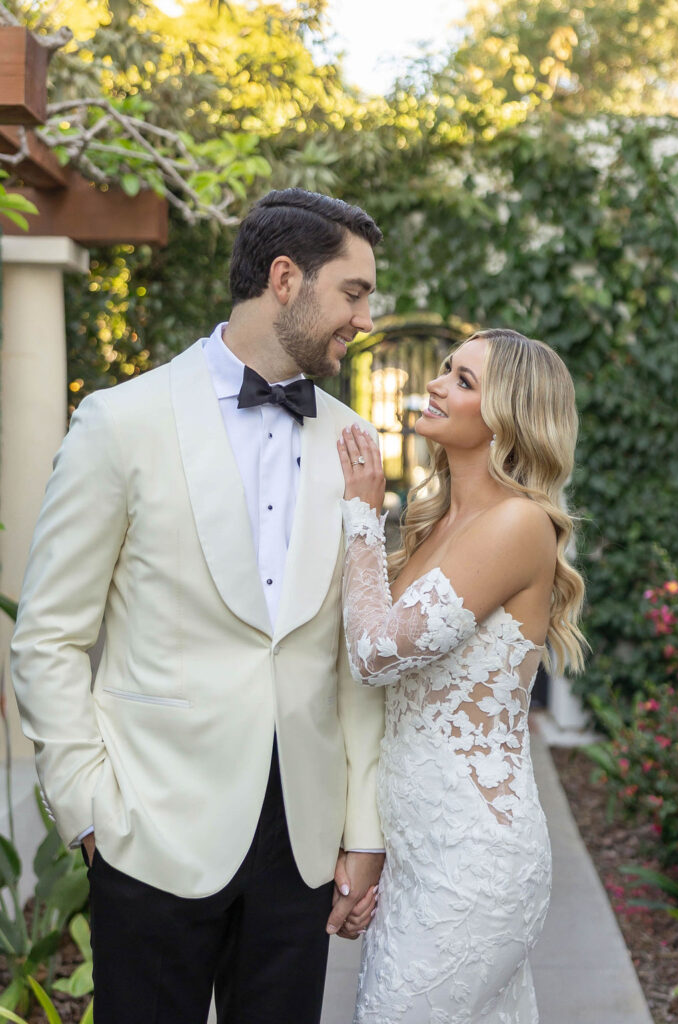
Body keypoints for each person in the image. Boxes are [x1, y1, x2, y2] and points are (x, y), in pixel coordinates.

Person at [11, 188, 387, 1024]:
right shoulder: (120, 422)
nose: (362, 318)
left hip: (300, 845)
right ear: (284, 278)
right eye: (352, 292)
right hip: (150, 830)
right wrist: (87, 810)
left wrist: (364, 829)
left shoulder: (352, 442)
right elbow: (49, 636)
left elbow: (356, 661)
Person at [336, 328, 587, 1023]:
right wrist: (371, 845)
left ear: (509, 417)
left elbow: (375, 654)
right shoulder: (434, 525)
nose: (437, 384)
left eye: (463, 380)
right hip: (418, 857)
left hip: (474, 865)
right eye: (445, 370)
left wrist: (360, 514)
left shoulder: (517, 525)